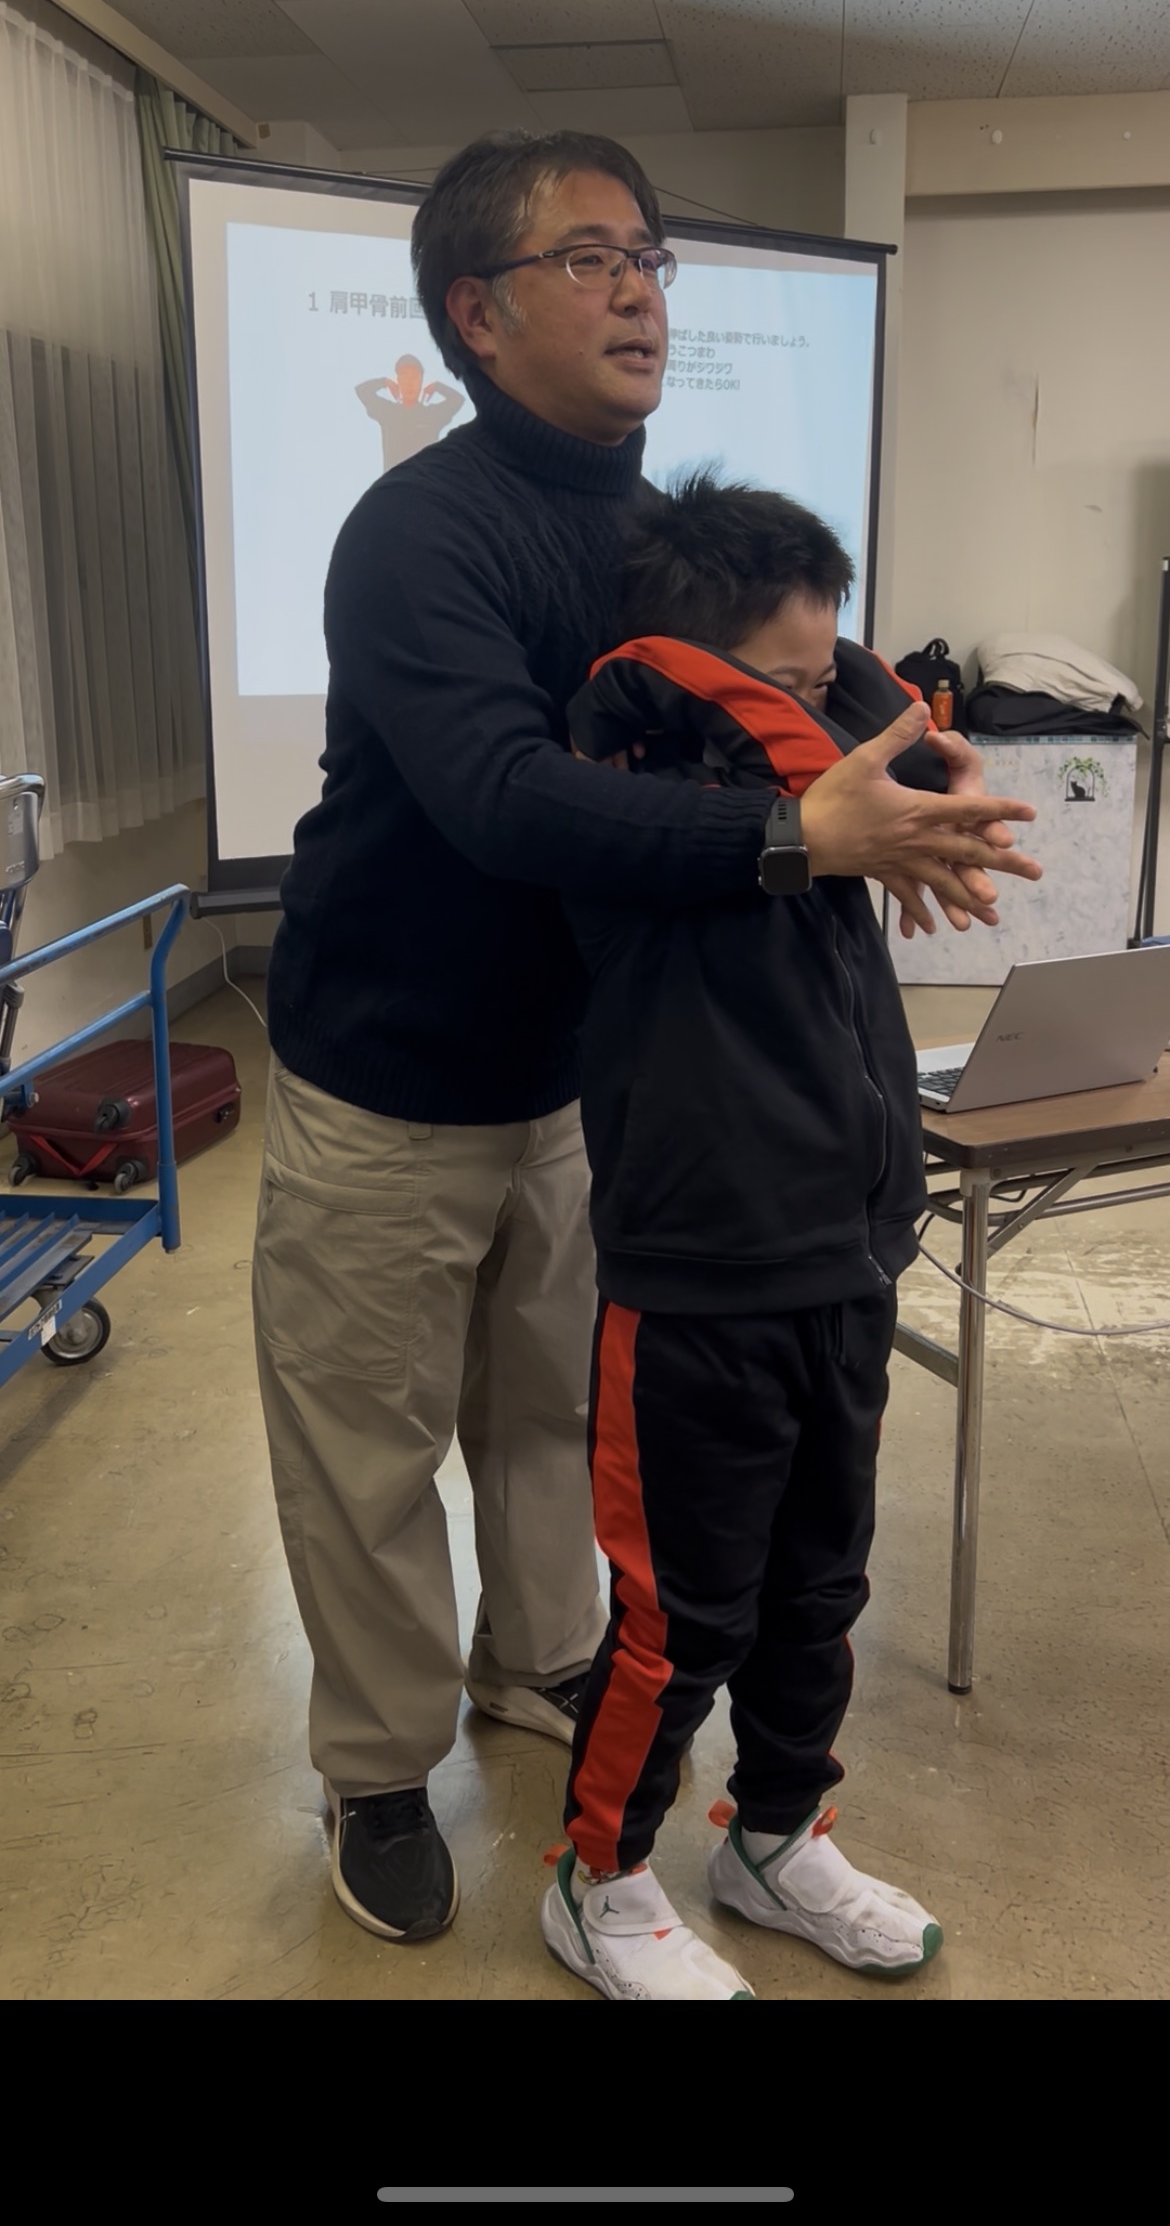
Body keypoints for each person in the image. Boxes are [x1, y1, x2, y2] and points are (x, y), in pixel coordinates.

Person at [251, 129, 1042, 1953]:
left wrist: (909, 761)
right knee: (369, 1447)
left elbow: (807, 670)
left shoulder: (662, 529)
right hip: (389, 1068)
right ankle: (377, 1764)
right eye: (591, 258)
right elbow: (502, 794)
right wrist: (794, 834)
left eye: (651, 260)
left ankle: (534, 1657)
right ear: (476, 311)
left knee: (553, 1410)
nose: (640, 294)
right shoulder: (416, 534)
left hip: (587, 1075)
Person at [541, 472, 1011, 2001]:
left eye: (828, 674)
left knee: (818, 1591)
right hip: (696, 1289)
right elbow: (680, 694)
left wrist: (870, 712)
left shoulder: (824, 815)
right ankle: (599, 1881)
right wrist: (847, 748)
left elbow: (862, 714)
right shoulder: (634, 778)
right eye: (790, 682)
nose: (829, 711)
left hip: (840, 1263)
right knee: (678, 1621)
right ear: (702, 671)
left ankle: (774, 1836)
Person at [354, 354, 463, 472]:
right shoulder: (388, 412)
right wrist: (384, 382)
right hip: (396, 480)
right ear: (398, 382)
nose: (410, 382)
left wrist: (438, 387)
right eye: (405, 376)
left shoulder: (431, 415)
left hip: (425, 480)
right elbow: (362, 391)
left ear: (421, 382)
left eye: (414, 377)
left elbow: (457, 400)